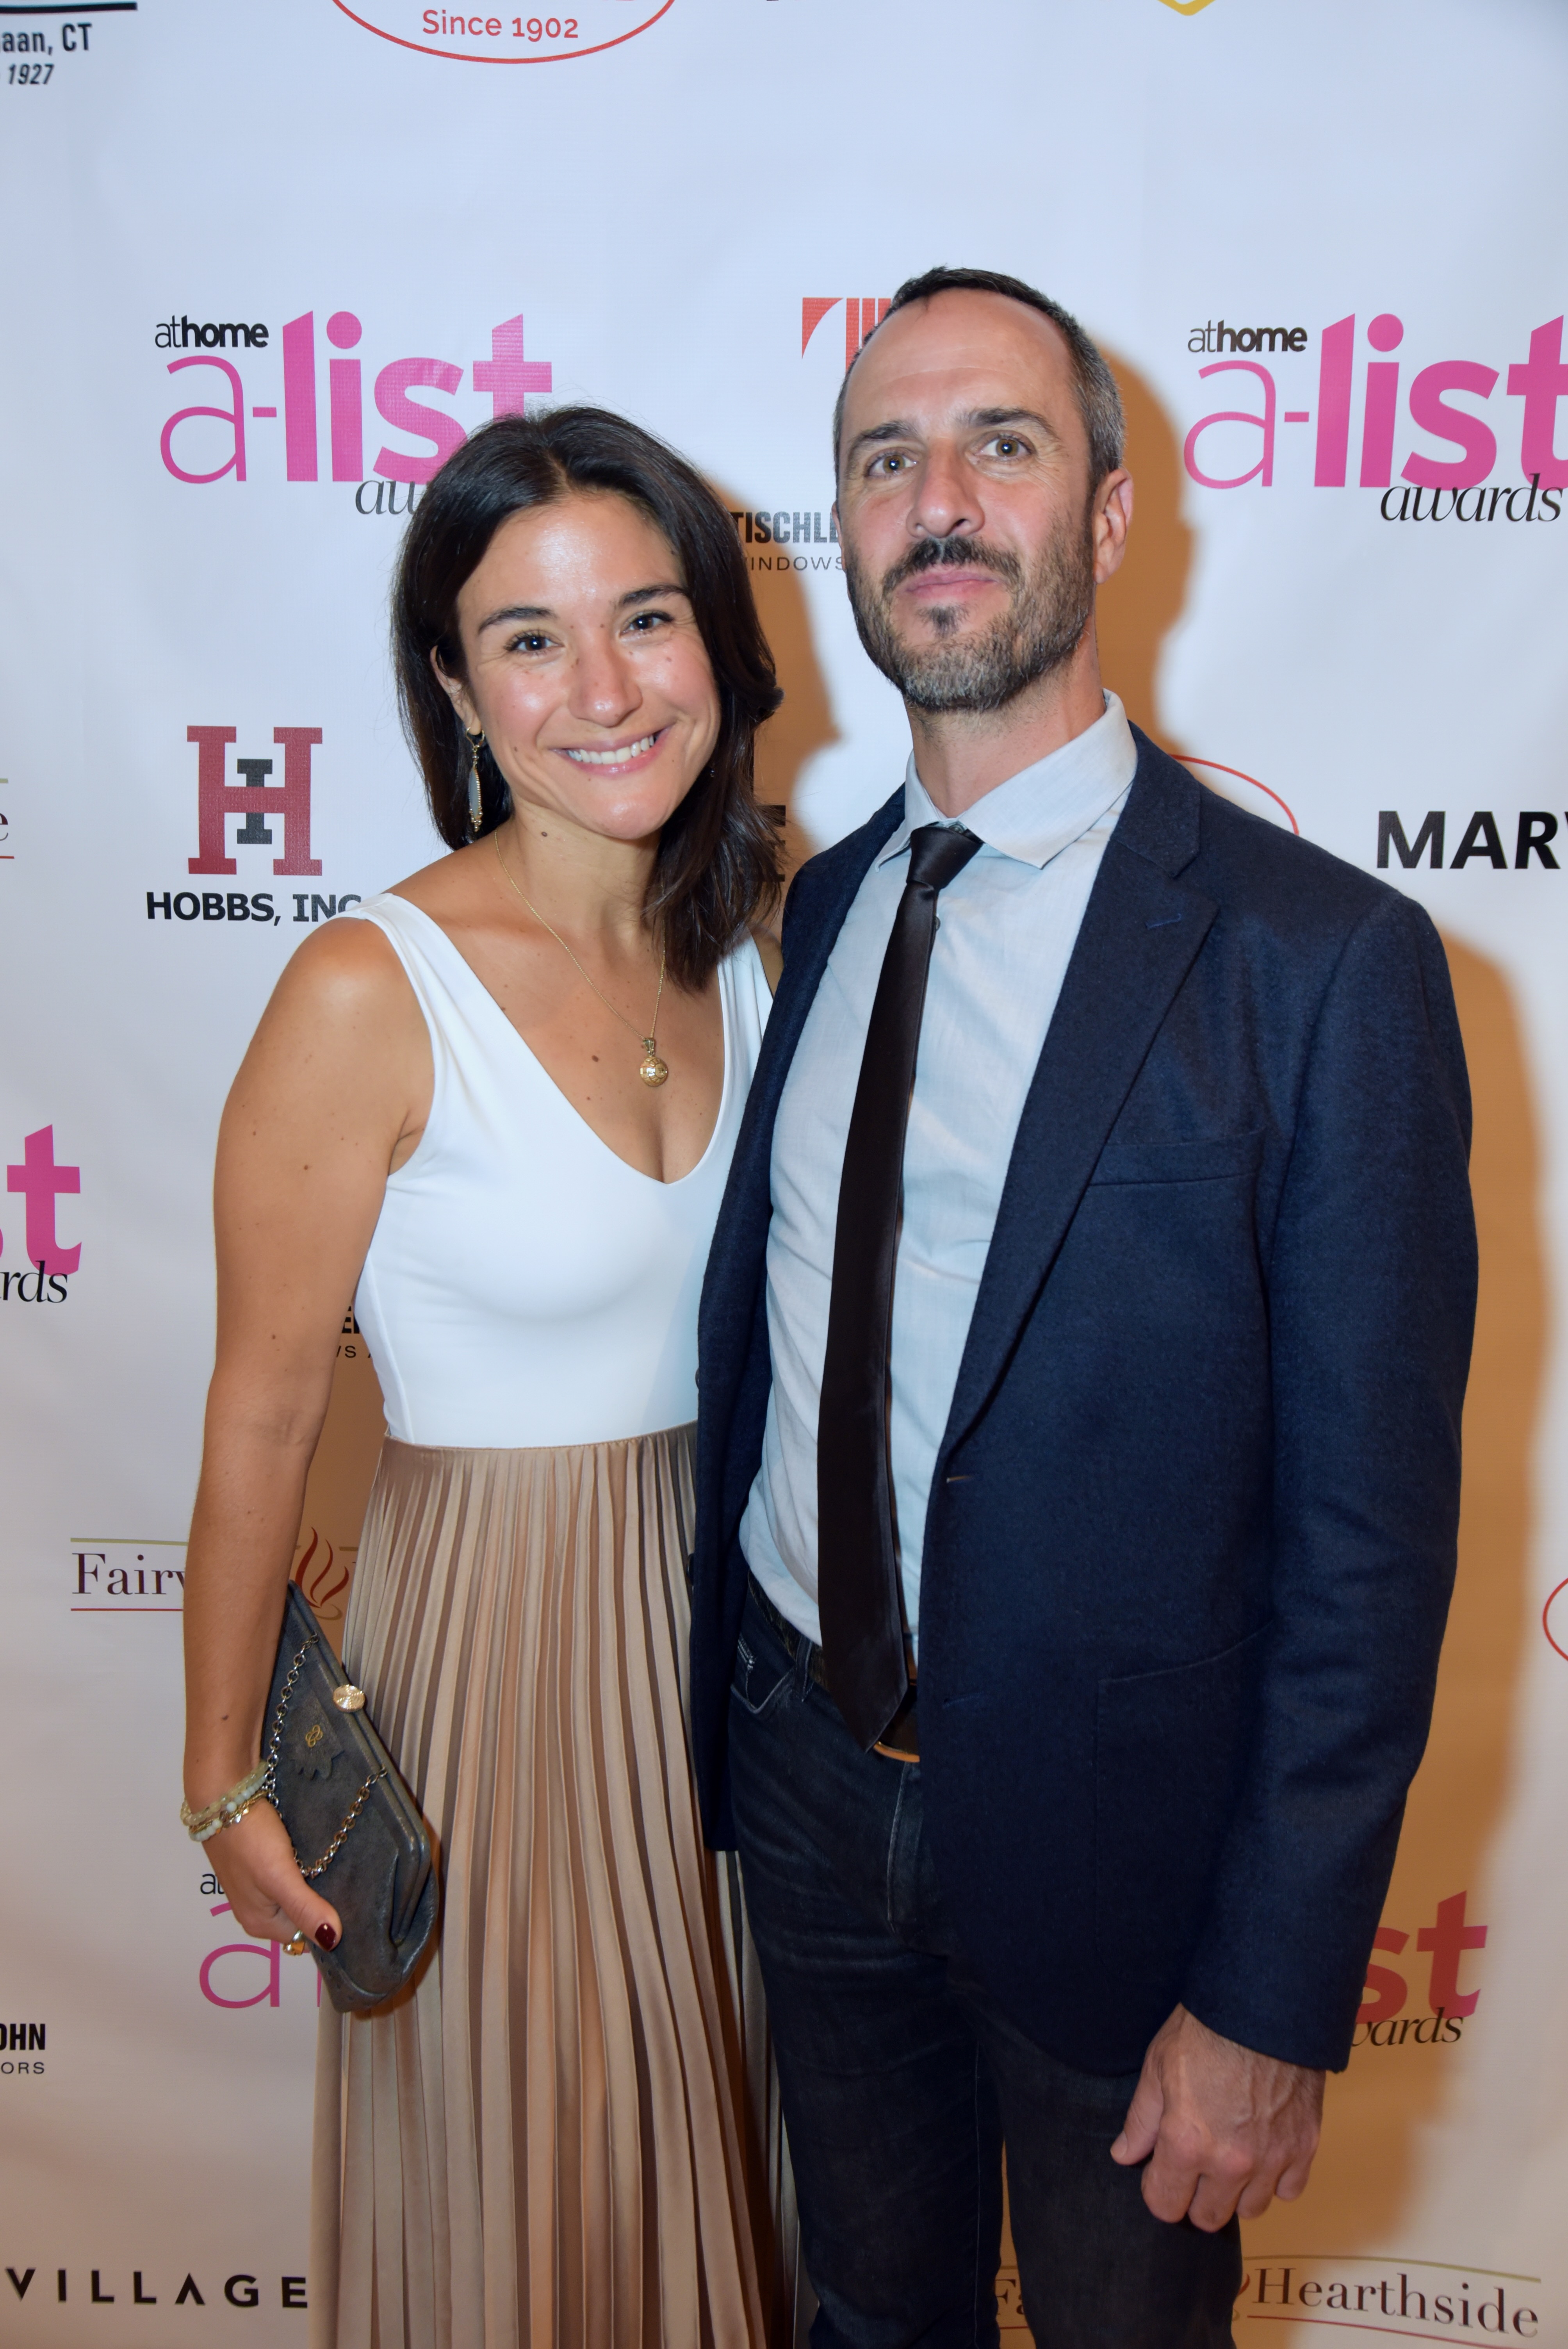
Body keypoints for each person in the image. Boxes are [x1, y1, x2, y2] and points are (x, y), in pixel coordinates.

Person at [689, 267, 1478, 2347]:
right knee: (871, 2317)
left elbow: (1369, 1549)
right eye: (886, 458)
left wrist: (1271, 1993)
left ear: (1109, 518)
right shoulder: (824, 903)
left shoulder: (1323, 967)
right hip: (802, 1781)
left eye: (1002, 446)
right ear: (845, 529)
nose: (938, 501)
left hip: (1127, 1863)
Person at [181, 407, 799, 2349]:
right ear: (453, 686)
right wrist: (221, 1774)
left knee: (728, 2152)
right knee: (533, 2187)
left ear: (718, 642)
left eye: (644, 617)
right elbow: (264, 1414)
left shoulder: (769, 936)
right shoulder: (366, 988)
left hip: (737, 1652)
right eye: (529, 639)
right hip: (498, 1665)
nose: (603, 689)